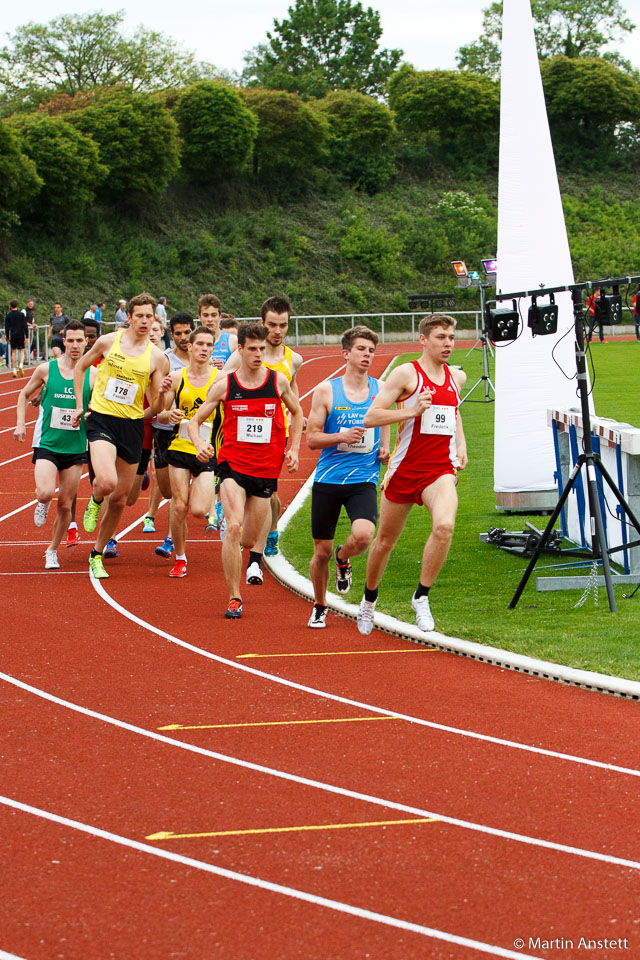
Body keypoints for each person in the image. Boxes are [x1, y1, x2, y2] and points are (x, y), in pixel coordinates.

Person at [356, 314, 468, 636]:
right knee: (385, 542)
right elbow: (371, 417)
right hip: (405, 469)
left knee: (445, 526)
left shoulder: (456, 377)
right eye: (441, 337)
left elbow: (454, 412)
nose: (448, 343)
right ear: (423, 339)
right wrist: (411, 411)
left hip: (440, 470)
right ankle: (369, 599)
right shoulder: (406, 374)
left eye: (451, 337)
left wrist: (461, 444)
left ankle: (421, 596)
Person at [189, 321, 302, 619]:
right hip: (232, 466)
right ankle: (234, 597)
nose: (258, 354)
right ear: (239, 350)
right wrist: (199, 443)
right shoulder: (226, 385)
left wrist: (294, 448)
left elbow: (298, 412)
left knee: (250, 540)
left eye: (262, 349)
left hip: (265, 469)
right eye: (252, 348)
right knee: (235, 528)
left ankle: (241, 543)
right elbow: (194, 421)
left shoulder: (277, 382)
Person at [71, 292, 169, 579]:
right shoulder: (107, 342)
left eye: (149, 316)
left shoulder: (157, 357)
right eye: (138, 315)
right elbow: (80, 367)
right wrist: (80, 405)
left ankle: (97, 553)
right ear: (129, 317)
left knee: (122, 499)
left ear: (154, 319)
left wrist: (162, 397)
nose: (144, 321)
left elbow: (156, 407)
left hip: (131, 426)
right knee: (108, 481)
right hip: (101, 419)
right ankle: (95, 499)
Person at [306, 326, 390, 628]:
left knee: (365, 535)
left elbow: (383, 419)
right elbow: (312, 439)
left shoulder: (380, 389)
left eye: (371, 350)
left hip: (363, 479)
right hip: (329, 479)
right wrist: (340, 435)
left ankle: (345, 557)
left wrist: (385, 448)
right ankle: (319, 604)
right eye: (361, 349)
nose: (367, 355)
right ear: (346, 353)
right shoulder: (327, 390)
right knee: (321, 552)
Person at [222, 295, 303, 572]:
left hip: (273, 437)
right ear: (262, 323)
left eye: (283, 325)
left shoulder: (294, 360)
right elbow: (219, 385)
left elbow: (295, 399)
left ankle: (267, 538)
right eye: (272, 325)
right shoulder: (241, 356)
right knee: (257, 498)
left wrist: (294, 444)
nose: (277, 331)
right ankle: (255, 538)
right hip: (242, 436)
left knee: (270, 497)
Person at [14, 321, 96, 570]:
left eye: (79, 340)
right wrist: (20, 424)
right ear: (63, 341)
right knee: (46, 492)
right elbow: (23, 395)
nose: (74, 345)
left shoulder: (93, 375)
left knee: (65, 505)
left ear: (86, 342)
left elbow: (100, 408)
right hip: (48, 443)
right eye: (70, 340)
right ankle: (42, 501)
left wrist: (90, 414)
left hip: (76, 447)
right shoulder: (46, 369)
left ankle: (52, 550)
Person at [159, 327, 221, 577]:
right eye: (201, 344)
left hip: (206, 450)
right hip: (179, 446)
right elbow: (162, 415)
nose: (205, 349)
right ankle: (181, 558)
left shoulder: (220, 378)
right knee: (178, 505)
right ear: (190, 347)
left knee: (198, 509)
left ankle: (216, 509)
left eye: (209, 345)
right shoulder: (176, 378)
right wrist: (169, 413)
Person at [145, 312, 195, 554]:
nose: (184, 338)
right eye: (179, 333)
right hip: (165, 430)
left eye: (187, 332)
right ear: (170, 334)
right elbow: (157, 394)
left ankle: (171, 540)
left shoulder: (203, 359)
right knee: (166, 490)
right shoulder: (164, 360)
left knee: (179, 495)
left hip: (193, 434)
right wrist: (169, 409)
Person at [197, 294, 238, 370]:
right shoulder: (192, 342)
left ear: (220, 317)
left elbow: (240, 371)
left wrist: (225, 369)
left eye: (213, 315)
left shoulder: (232, 340)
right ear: (199, 317)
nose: (210, 319)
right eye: (205, 315)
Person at [5, 299, 28, 377]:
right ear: (17, 306)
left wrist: (8, 337)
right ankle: (21, 365)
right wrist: (27, 336)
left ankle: (14, 370)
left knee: (13, 351)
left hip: (13, 335)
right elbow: (25, 326)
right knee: (21, 351)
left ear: (10, 306)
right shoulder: (21, 315)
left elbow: (7, 327)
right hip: (21, 334)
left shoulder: (8, 315)